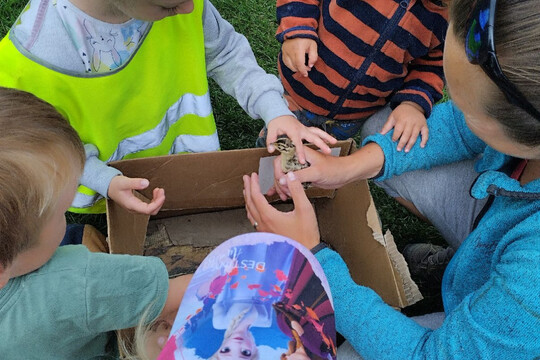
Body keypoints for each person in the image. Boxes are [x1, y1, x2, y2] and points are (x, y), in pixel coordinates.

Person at [244, 0, 540, 357]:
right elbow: (458, 130)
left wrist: (315, 257)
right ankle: (471, 265)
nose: (452, 113)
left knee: (349, 351)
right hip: (510, 244)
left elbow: (427, 355)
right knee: (393, 131)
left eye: (465, 107)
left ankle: (480, 282)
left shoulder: (533, 274)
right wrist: (346, 168)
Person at [0, 0, 335, 215]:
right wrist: (104, 179)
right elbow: (43, 149)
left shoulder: (184, 3)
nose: (190, 9)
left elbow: (227, 53)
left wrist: (274, 109)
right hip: (104, 187)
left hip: (182, 164)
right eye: (169, 5)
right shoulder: (31, 62)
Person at [0, 86, 193, 359]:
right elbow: (190, 290)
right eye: (62, 211)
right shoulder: (78, 281)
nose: (65, 217)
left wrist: (107, 181)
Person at [256, 0, 448, 153]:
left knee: (318, 159)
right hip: (300, 89)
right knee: (275, 149)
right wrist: (297, 29)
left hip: (353, 115)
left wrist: (412, 104)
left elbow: (434, 65)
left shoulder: (449, 18)